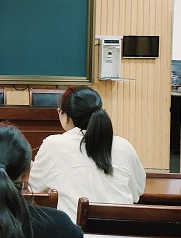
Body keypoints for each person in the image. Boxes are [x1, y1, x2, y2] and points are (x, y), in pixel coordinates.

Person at [28, 86, 146, 222]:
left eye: (59, 111)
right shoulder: (124, 146)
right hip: (120, 231)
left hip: (73, 232)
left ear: (66, 117)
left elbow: (35, 190)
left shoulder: (53, 144)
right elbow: (137, 192)